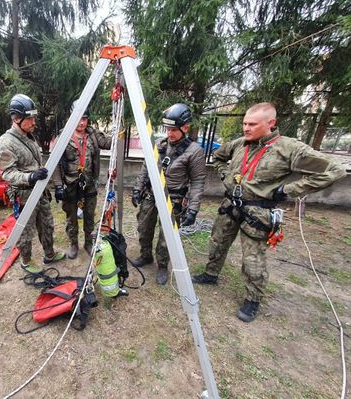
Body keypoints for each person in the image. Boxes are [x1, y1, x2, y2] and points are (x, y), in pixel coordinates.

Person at [192, 102, 346, 322]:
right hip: (230, 206)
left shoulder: (288, 148)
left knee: (253, 260)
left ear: (270, 123)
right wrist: (225, 176)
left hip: (257, 212)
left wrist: (288, 190)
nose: (246, 128)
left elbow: (335, 170)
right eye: (245, 123)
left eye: (252, 124)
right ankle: (211, 274)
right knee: (217, 242)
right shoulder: (239, 144)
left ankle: (252, 299)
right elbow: (217, 158)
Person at [131, 103, 207, 285]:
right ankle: (145, 255)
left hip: (173, 198)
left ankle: (163, 265)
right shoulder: (159, 144)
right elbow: (145, 168)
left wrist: (193, 209)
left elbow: (198, 182)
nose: (169, 133)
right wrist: (137, 188)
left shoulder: (194, 151)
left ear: (185, 127)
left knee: (167, 237)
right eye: (167, 128)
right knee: (144, 227)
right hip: (151, 194)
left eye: (173, 129)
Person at [0, 94, 65, 274]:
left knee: (47, 224)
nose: (34, 122)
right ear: (17, 119)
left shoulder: (29, 136)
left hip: (39, 191)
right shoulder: (6, 142)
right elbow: (7, 173)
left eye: (34, 117)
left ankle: (49, 254)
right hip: (24, 194)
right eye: (30, 118)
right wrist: (30, 177)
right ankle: (26, 261)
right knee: (25, 231)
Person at [52, 100, 112, 259]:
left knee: (89, 216)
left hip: (89, 185)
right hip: (71, 185)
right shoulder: (63, 137)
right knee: (71, 218)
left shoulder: (92, 135)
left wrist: (119, 127)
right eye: (78, 118)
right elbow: (55, 164)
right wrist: (58, 186)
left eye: (84, 119)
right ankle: (73, 244)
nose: (81, 122)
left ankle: (88, 242)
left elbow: (109, 143)